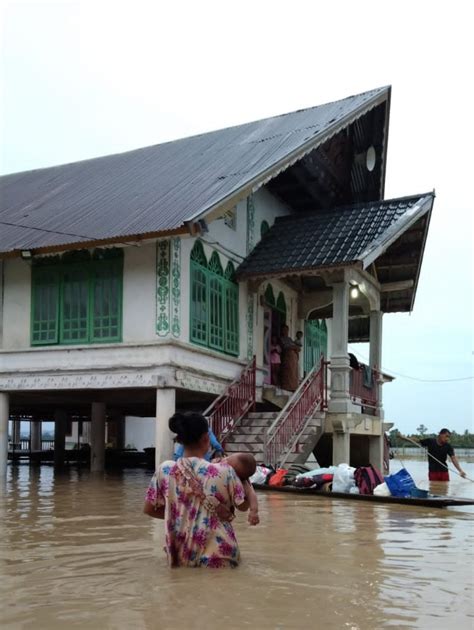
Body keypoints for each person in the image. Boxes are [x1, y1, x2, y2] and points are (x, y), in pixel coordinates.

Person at [143, 411, 249, 568]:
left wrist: (181, 515)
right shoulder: (225, 470)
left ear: (180, 440)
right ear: (206, 438)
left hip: (182, 554)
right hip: (220, 553)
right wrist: (245, 480)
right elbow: (243, 506)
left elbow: (149, 509)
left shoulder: (165, 470)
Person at [219, 453, 259, 525]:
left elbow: (251, 495)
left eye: (228, 461)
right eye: (228, 457)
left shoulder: (243, 483)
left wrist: (254, 511)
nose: (224, 460)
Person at [279, 325, 300, 391]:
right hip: (287, 358)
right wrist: (293, 348)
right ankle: (288, 387)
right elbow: (285, 347)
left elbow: (297, 348)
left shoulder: (290, 339)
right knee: (288, 372)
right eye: (284, 330)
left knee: (294, 373)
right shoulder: (281, 339)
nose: (285, 331)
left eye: (286, 330)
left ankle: (293, 387)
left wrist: (295, 348)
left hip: (294, 358)